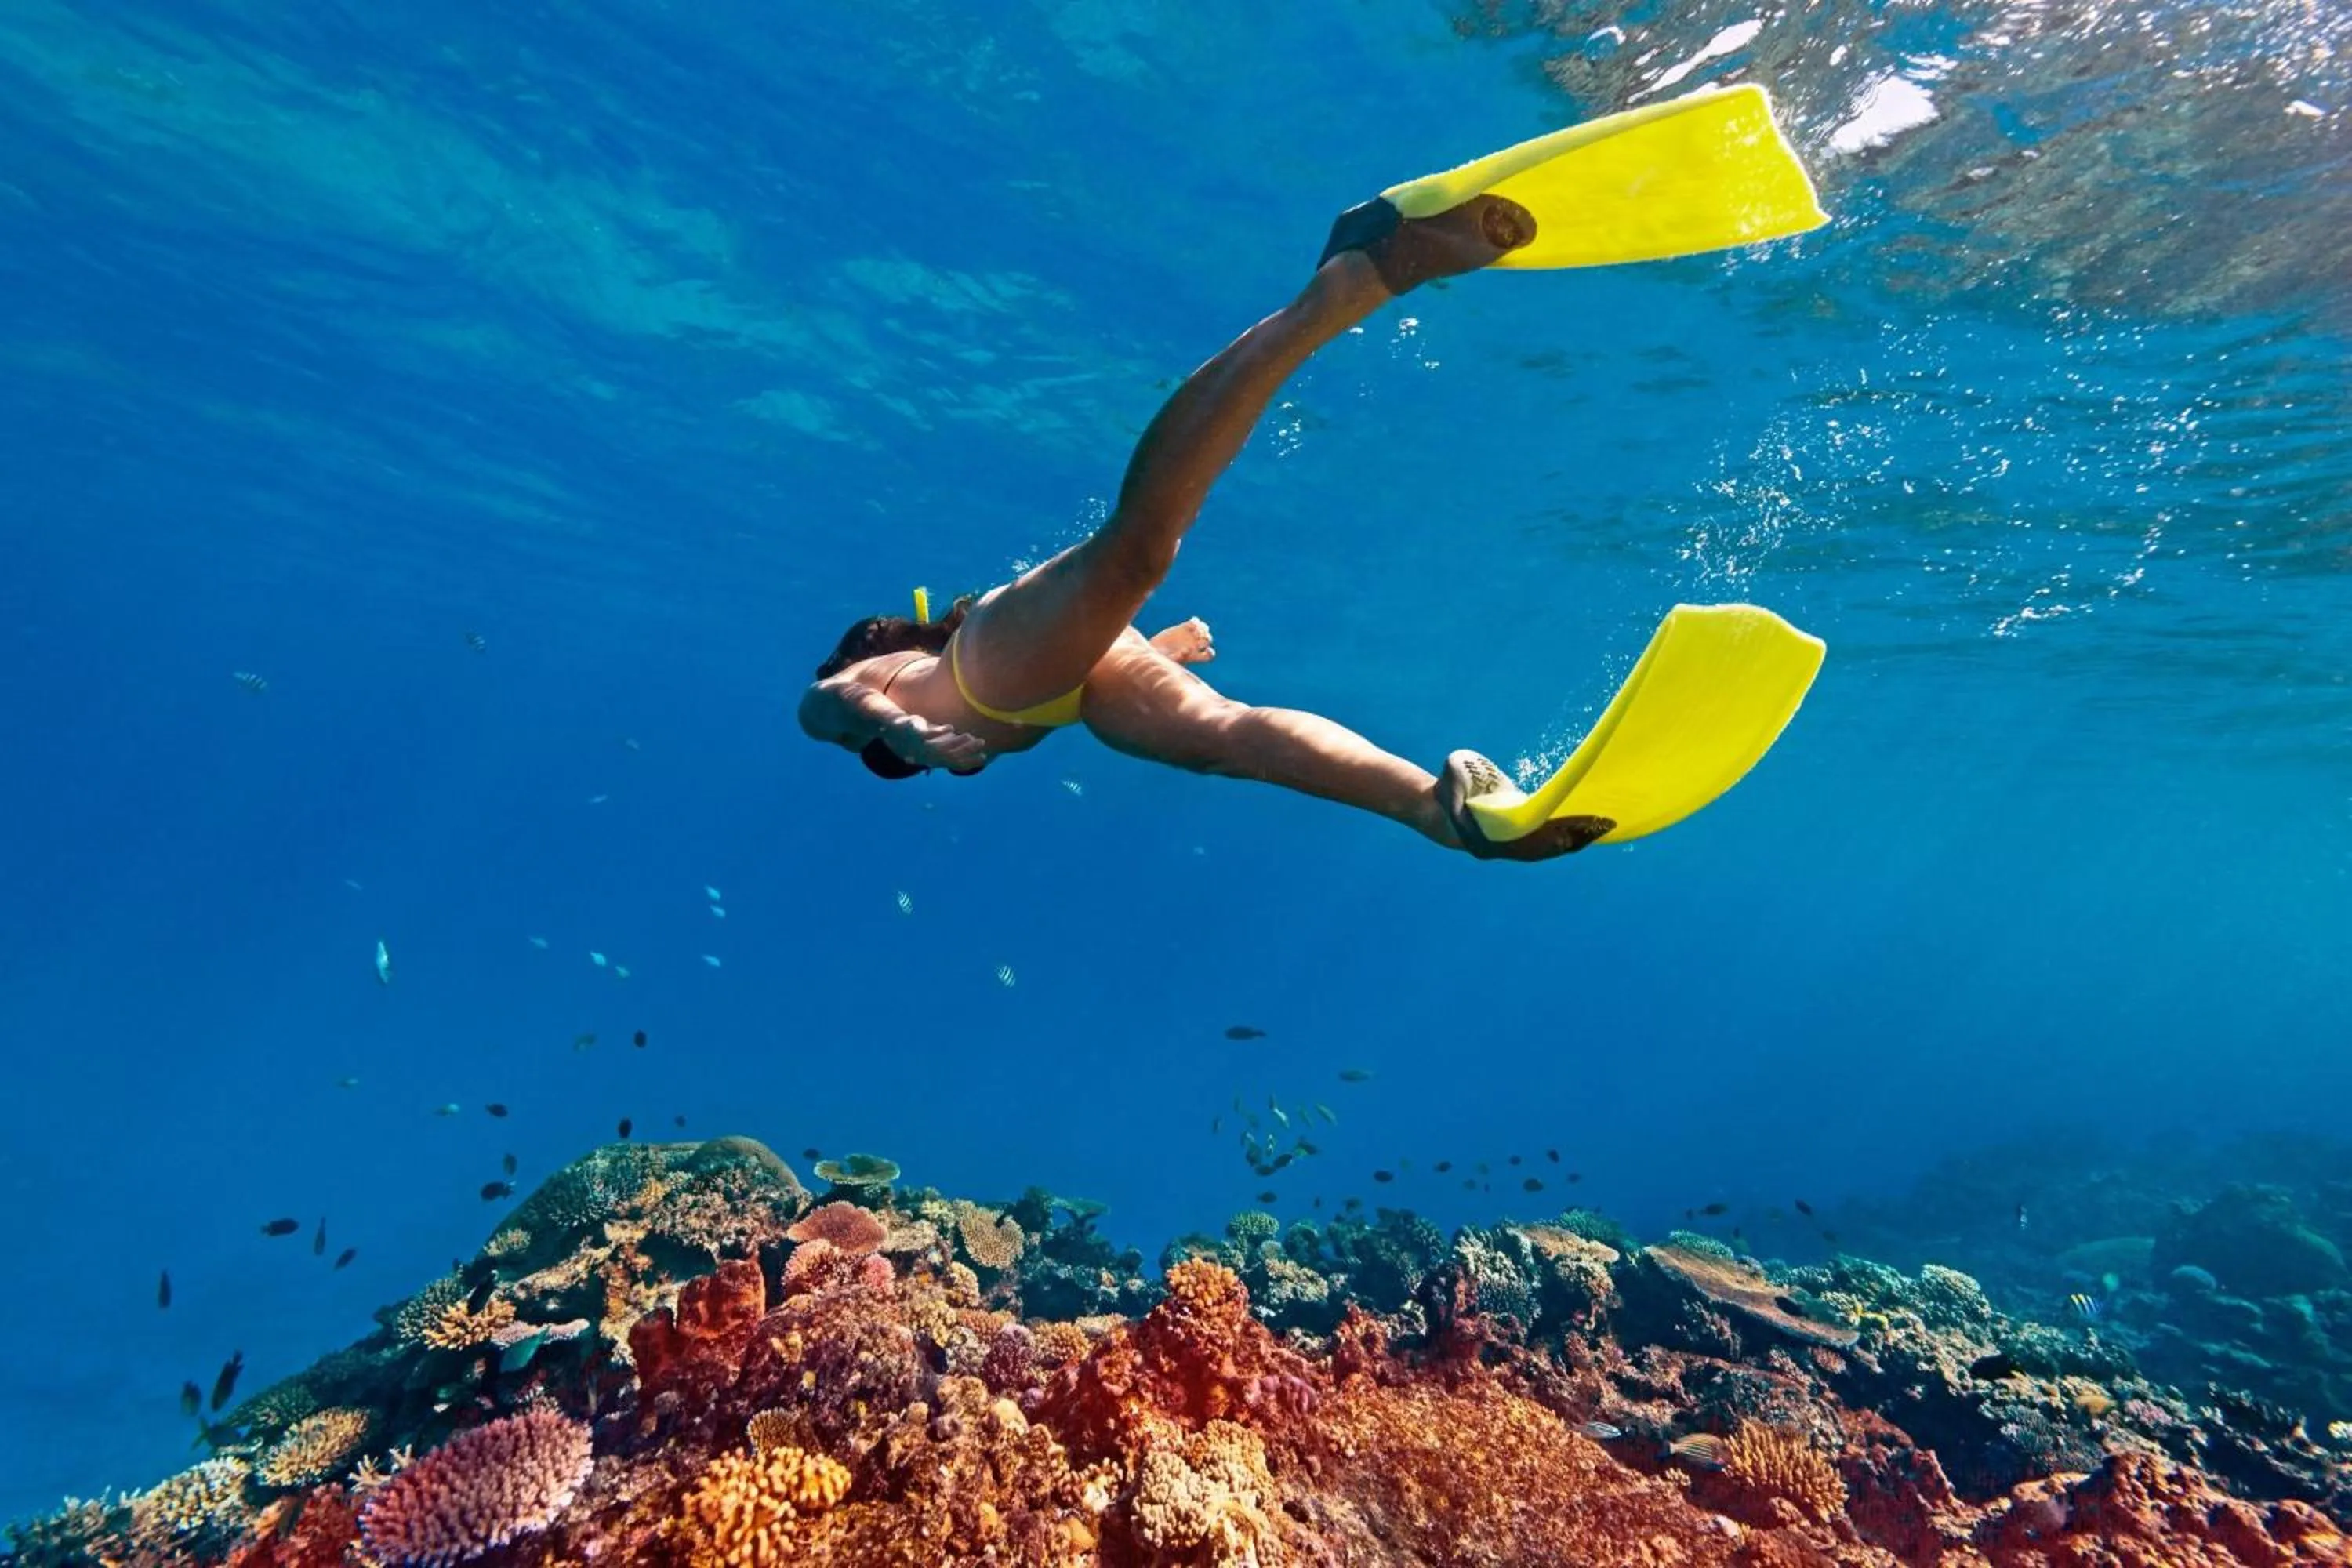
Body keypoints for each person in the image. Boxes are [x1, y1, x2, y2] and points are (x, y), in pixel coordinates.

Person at [798, 194, 1610, 861]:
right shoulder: (936, 705)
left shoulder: (856, 692)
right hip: (1068, 685)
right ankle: (1446, 813)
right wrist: (1157, 651)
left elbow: (845, 711)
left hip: (995, 663)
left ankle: (1346, 283)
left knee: (1140, 547)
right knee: (1224, 738)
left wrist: (907, 730)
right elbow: (1063, 661)